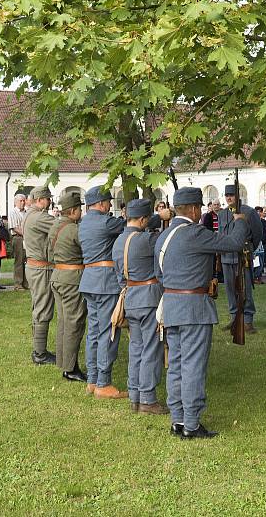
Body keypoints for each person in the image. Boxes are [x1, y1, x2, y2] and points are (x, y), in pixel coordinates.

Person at [154, 187, 248, 438]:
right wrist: (240, 222)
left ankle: (178, 420)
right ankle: (192, 423)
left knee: (175, 365)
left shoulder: (163, 237)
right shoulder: (195, 233)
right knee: (193, 366)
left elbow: (159, 275)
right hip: (194, 308)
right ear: (195, 209)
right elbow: (234, 243)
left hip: (171, 305)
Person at [81, 186, 149, 398]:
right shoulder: (105, 222)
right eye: (108, 202)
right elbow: (130, 225)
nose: (110, 205)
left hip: (89, 281)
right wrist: (157, 217)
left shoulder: (83, 223)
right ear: (101, 204)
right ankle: (103, 382)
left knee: (93, 332)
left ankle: (92, 379)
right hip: (105, 282)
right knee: (108, 332)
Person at [113, 198, 172, 414]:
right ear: (144, 219)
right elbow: (167, 240)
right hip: (148, 299)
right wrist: (167, 217)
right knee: (151, 349)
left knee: (136, 348)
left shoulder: (118, 241)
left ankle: (134, 395)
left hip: (130, 298)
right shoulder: (147, 239)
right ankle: (147, 399)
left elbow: (119, 276)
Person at [48, 191, 88, 382]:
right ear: (72, 210)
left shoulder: (54, 225)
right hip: (72, 277)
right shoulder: (74, 229)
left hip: (57, 275)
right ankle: (70, 368)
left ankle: (64, 363)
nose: (81, 212)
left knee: (64, 322)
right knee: (74, 323)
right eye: (79, 208)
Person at [217, 184, 263, 331]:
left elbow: (257, 234)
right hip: (226, 257)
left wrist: (249, 250)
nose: (229, 198)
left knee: (245, 288)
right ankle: (234, 317)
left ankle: (248, 319)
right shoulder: (222, 214)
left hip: (243, 257)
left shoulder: (248, 212)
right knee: (230, 289)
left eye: (231, 195)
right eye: (227, 195)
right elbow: (220, 234)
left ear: (238, 196)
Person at [23, 186, 57, 364]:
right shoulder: (39, 217)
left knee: (39, 308)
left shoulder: (30, 214)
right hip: (41, 269)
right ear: (40, 199)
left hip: (36, 267)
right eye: (47, 198)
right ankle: (40, 353)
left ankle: (39, 350)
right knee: (43, 310)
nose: (49, 201)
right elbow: (61, 226)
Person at [8, 193, 29, 290]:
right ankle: (18, 284)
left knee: (26, 260)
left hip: (26, 238)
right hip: (18, 238)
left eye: (24, 200)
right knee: (19, 261)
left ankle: (25, 282)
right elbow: (14, 228)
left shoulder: (26, 212)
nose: (23, 202)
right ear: (15, 202)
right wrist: (27, 234)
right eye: (20, 200)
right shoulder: (12, 212)